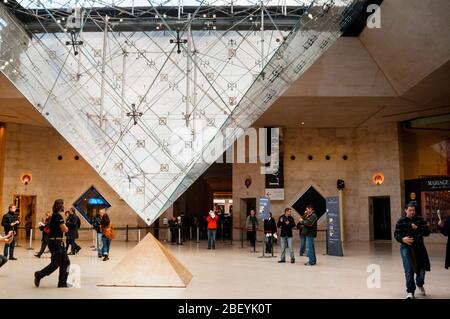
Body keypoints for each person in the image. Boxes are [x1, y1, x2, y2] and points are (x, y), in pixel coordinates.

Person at [394, 202, 430, 299]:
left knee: (422, 269)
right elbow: (396, 234)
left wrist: (417, 228)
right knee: (408, 269)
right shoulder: (400, 221)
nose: (412, 212)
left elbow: (427, 232)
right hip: (406, 247)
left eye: (413, 210)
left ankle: (419, 283)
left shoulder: (420, 219)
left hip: (419, 247)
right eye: (410, 210)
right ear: (405, 210)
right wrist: (402, 239)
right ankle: (410, 291)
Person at [34, 199, 71, 288]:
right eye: (63, 204)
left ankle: (62, 283)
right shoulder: (58, 216)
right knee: (56, 263)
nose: (63, 206)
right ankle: (39, 274)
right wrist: (67, 227)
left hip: (57, 242)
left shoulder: (54, 216)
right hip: (56, 242)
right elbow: (65, 229)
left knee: (65, 262)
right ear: (60, 206)